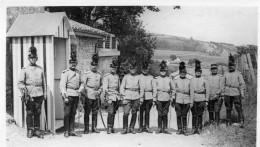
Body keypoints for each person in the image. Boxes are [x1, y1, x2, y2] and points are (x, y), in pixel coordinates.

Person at [18, 46, 47, 138]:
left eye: (34, 58)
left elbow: (44, 83)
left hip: (39, 94)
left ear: (37, 58)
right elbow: (20, 83)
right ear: (29, 58)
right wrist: (25, 91)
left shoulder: (40, 69)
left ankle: (37, 130)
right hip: (29, 95)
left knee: (37, 112)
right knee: (30, 113)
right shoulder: (25, 69)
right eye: (31, 58)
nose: (33, 60)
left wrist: (45, 93)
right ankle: (30, 130)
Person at [60, 49, 84, 138]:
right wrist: (65, 96)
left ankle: (71, 130)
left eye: (74, 62)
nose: (73, 64)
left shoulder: (78, 72)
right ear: (69, 63)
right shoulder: (65, 73)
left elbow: (82, 83)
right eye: (71, 62)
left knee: (73, 113)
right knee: (67, 113)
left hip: (76, 95)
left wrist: (80, 90)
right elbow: (62, 86)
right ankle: (66, 130)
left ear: (76, 63)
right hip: (68, 95)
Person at [120, 61, 144, 134]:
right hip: (127, 96)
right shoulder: (126, 76)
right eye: (131, 68)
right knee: (126, 113)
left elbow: (142, 88)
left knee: (134, 113)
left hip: (136, 97)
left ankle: (132, 127)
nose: (132, 70)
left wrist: (141, 98)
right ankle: (125, 128)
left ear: (136, 69)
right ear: (129, 69)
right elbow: (122, 87)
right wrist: (123, 96)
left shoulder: (139, 77)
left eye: (134, 69)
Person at [82, 53, 103, 134]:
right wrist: (87, 92)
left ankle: (94, 127)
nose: (94, 67)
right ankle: (86, 128)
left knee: (95, 112)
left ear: (97, 66)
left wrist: (99, 91)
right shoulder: (87, 74)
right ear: (91, 66)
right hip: (88, 95)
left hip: (96, 95)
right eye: (93, 65)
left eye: (95, 65)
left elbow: (101, 85)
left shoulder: (99, 74)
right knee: (87, 112)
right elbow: (84, 84)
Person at [172, 62, 194, 136]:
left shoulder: (189, 81)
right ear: (179, 73)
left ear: (186, 73)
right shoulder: (176, 80)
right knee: (178, 114)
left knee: (184, 114)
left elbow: (191, 92)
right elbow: (174, 91)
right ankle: (179, 129)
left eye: (184, 72)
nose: (182, 73)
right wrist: (173, 99)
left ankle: (184, 129)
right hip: (178, 100)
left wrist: (191, 102)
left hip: (186, 100)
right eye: (181, 72)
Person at [223, 54, 245, 128]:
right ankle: (228, 121)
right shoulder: (225, 74)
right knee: (228, 107)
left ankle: (241, 121)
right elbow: (222, 84)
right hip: (227, 93)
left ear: (234, 66)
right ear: (228, 66)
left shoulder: (238, 74)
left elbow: (242, 84)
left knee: (238, 107)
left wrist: (242, 93)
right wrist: (223, 93)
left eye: (232, 65)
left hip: (236, 92)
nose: (231, 67)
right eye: (230, 66)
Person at [153, 60, 173, 134]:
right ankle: (159, 128)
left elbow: (173, 89)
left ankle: (165, 128)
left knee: (165, 113)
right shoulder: (156, 79)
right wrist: (154, 99)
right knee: (159, 113)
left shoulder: (169, 79)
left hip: (167, 98)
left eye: (164, 71)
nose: (163, 72)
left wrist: (171, 98)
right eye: (161, 71)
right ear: (159, 71)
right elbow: (155, 90)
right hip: (159, 98)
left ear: (166, 71)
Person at [190, 60, 209, 134]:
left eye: (199, 71)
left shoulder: (204, 80)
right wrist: (191, 101)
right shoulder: (192, 80)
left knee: (200, 114)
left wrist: (206, 100)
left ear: (201, 72)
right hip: (194, 99)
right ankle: (193, 128)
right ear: (195, 72)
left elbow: (207, 90)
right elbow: (190, 91)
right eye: (196, 71)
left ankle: (199, 128)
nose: (198, 72)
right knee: (194, 114)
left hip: (201, 99)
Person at [103, 58, 120, 134]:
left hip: (116, 97)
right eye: (112, 68)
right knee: (110, 112)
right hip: (110, 97)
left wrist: (119, 97)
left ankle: (112, 127)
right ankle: (109, 127)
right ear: (110, 68)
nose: (113, 69)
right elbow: (105, 89)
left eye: (115, 68)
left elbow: (118, 88)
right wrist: (108, 98)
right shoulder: (107, 76)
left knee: (114, 112)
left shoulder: (117, 76)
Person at [137, 61, 154, 133]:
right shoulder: (139, 77)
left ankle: (146, 126)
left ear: (148, 69)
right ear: (141, 69)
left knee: (147, 112)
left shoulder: (151, 77)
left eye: (146, 68)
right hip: (140, 97)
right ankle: (140, 126)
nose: (145, 70)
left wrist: (154, 98)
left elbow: (154, 88)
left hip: (149, 96)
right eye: (144, 68)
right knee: (140, 112)